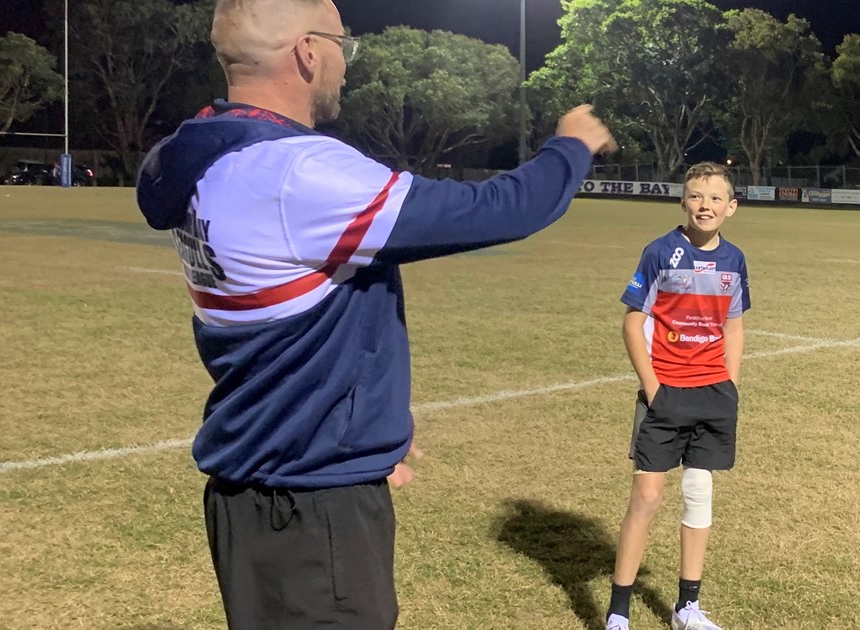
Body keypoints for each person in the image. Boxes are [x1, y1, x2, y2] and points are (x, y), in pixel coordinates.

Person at [133, 0, 616, 626]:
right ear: (307, 52)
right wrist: (570, 146)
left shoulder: (204, 164)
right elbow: (501, 208)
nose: (344, 63)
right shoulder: (296, 173)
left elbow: (302, 323)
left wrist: (361, 427)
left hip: (259, 494)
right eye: (342, 45)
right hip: (310, 511)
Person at [610, 162, 750, 630]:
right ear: (682, 202)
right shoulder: (660, 252)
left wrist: (729, 383)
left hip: (713, 392)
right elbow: (633, 321)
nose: (704, 205)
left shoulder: (735, 260)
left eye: (714, 198)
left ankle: (686, 607)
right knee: (646, 498)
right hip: (665, 392)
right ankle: (618, 612)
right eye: (695, 196)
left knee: (698, 490)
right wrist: (653, 388)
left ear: (731, 207)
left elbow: (733, 323)